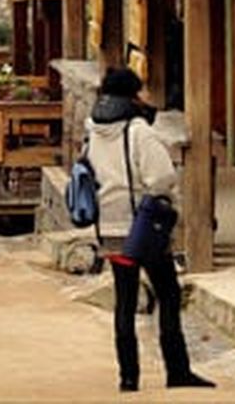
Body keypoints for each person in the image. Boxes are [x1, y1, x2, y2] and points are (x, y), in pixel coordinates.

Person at [85, 67, 213, 393]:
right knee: (168, 294)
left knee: (125, 301)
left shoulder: (94, 131)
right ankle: (177, 370)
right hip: (143, 228)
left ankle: (129, 378)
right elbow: (161, 178)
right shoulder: (137, 130)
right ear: (132, 94)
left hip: (110, 229)